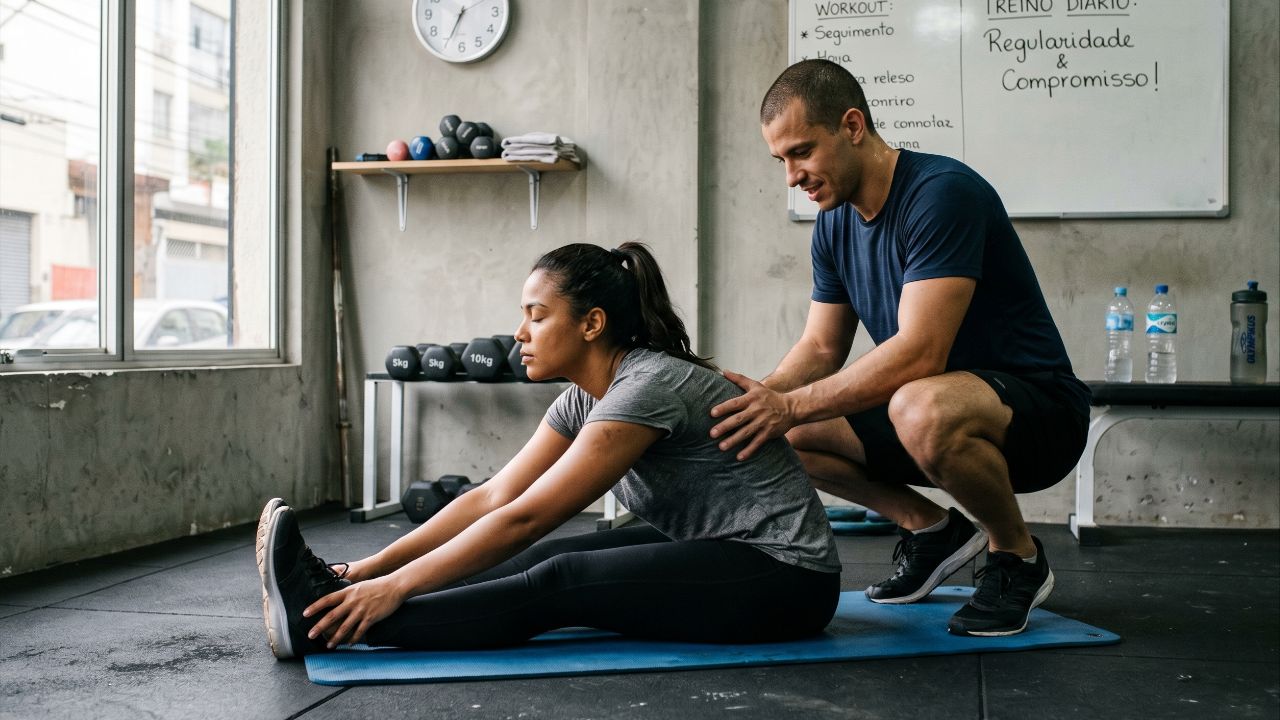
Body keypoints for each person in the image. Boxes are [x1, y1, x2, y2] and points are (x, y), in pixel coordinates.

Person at [257, 242, 841, 659]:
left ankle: (331, 628)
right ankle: (333, 599)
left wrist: (397, 589)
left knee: (561, 578)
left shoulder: (647, 387)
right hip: (716, 548)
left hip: (786, 578)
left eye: (537, 316)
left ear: (591, 324)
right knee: (536, 562)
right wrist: (368, 569)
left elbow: (528, 516)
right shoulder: (584, 399)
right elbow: (495, 495)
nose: (519, 333)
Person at [707, 59, 1090, 637]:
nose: (792, 176)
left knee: (917, 403)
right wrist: (752, 403)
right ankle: (934, 532)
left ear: (853, 125)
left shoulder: (943, 194)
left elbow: (918, 353)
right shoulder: (834, 225)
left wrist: (790, 403)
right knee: (777, 434)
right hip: (924, 409)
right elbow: (819, 346)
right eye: (781, 160)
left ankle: (1018, 556)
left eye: (802, 151)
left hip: (1038, 415)